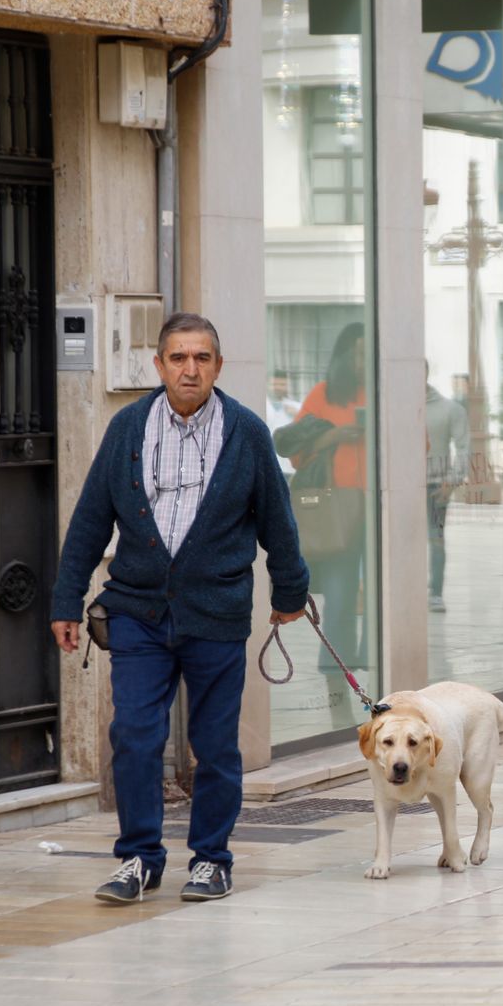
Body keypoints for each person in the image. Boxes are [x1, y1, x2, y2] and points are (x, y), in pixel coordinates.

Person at [49, 312, 309, 904]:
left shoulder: (245, 432)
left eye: (202, 358)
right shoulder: (128, 429)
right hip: (137, 610)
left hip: (215, 611)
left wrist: (291, 592)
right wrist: (66, 599)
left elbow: (277, 518)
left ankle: (212, 859)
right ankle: (139, 858)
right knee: (135, 734)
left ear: (218, 365)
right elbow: (91, 518)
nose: (190, 369)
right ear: (158, 364)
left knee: (215, 744)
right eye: (178, 358)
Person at [277, 322, 369, 692]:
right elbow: (295, 452)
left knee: (382, 598)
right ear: (344, 357)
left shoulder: (382, 390)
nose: (364, 361)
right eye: (358, 353)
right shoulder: (323, 395)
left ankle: (372, 663)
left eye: (369, 353)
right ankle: (337, 673)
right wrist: (336, 436)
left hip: (381, 509)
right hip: (339, 509)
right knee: (343, 594)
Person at [426, 365, 469, 613]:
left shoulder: (449, 409)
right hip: (399, 487)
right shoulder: (390, 406)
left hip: (436, 486)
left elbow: (463, 448)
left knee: (436, 538)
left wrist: (451, 481)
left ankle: (436, 593)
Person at [264, 370, 300, 477]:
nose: (278, 387)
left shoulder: (297, 408)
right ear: (268, 385)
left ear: (288, 386)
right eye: (275, 384)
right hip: (268, 465)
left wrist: (297, 415)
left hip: (289, 467)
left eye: (282, 384)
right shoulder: (263, 405)